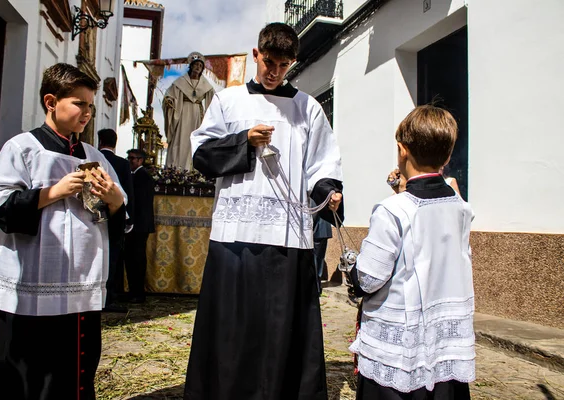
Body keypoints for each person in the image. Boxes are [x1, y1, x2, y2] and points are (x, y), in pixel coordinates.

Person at [184, 22, 344, 400]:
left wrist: (328, 192)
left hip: (288, 236)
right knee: (233, 328)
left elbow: (323, 164)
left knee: (281, 326)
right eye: (268, 61)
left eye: (283, 65)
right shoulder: (228, 101)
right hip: (235, 237)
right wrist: (244, 141)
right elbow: (202, 155)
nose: (273, 72)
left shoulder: (308, 108)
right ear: (255, 54)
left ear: (292, 63)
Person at [0, 63, 126, 400]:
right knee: (30, 374)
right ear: (51, 101)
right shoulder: (23, 149)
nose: (87, 112)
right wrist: (54, 192)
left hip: (80, 283)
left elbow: (116, 218)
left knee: (75, 373)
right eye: (79, 103)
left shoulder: (93, 156)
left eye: (90, 105)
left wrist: (115, 200)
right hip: (33, 284)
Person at [349, 105, 475, 399]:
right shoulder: (460, 207)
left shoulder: (392, 210)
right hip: (444, 352)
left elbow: (369, 278)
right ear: (446, 156)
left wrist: (353, 270)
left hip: (400, 357)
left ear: (401, 150)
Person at [98, 128, 135, 312]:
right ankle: (110, 295)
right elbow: (128, 190)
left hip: (96, 215)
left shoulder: (94, 159)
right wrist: (129, 218)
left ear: (100, 141)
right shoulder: (122, 163)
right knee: (113, 256)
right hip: (118, 215)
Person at [163, 51, 215, 170]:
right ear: (191, 66)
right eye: (196, 65)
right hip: (182, 112)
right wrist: (169, 102)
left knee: (195, 140)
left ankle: (193, 169)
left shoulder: (206, 85)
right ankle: (177, 167)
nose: (198, 67)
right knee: (180, 139)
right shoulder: (179, 82)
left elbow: (214, 102)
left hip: (197, 114)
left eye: (200, 66)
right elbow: (169, 96)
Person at [123, 149, 155, 304]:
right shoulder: (136, 176)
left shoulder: (142, 177)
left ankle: (138, 292)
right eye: (128, 158)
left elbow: (139, 203)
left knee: (136, 259)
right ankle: (133, 291)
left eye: (133, 159)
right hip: (137, 224)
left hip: (139, 225)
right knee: (131, 258)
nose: (130, 161)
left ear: (141, 160)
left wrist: (131, 221)